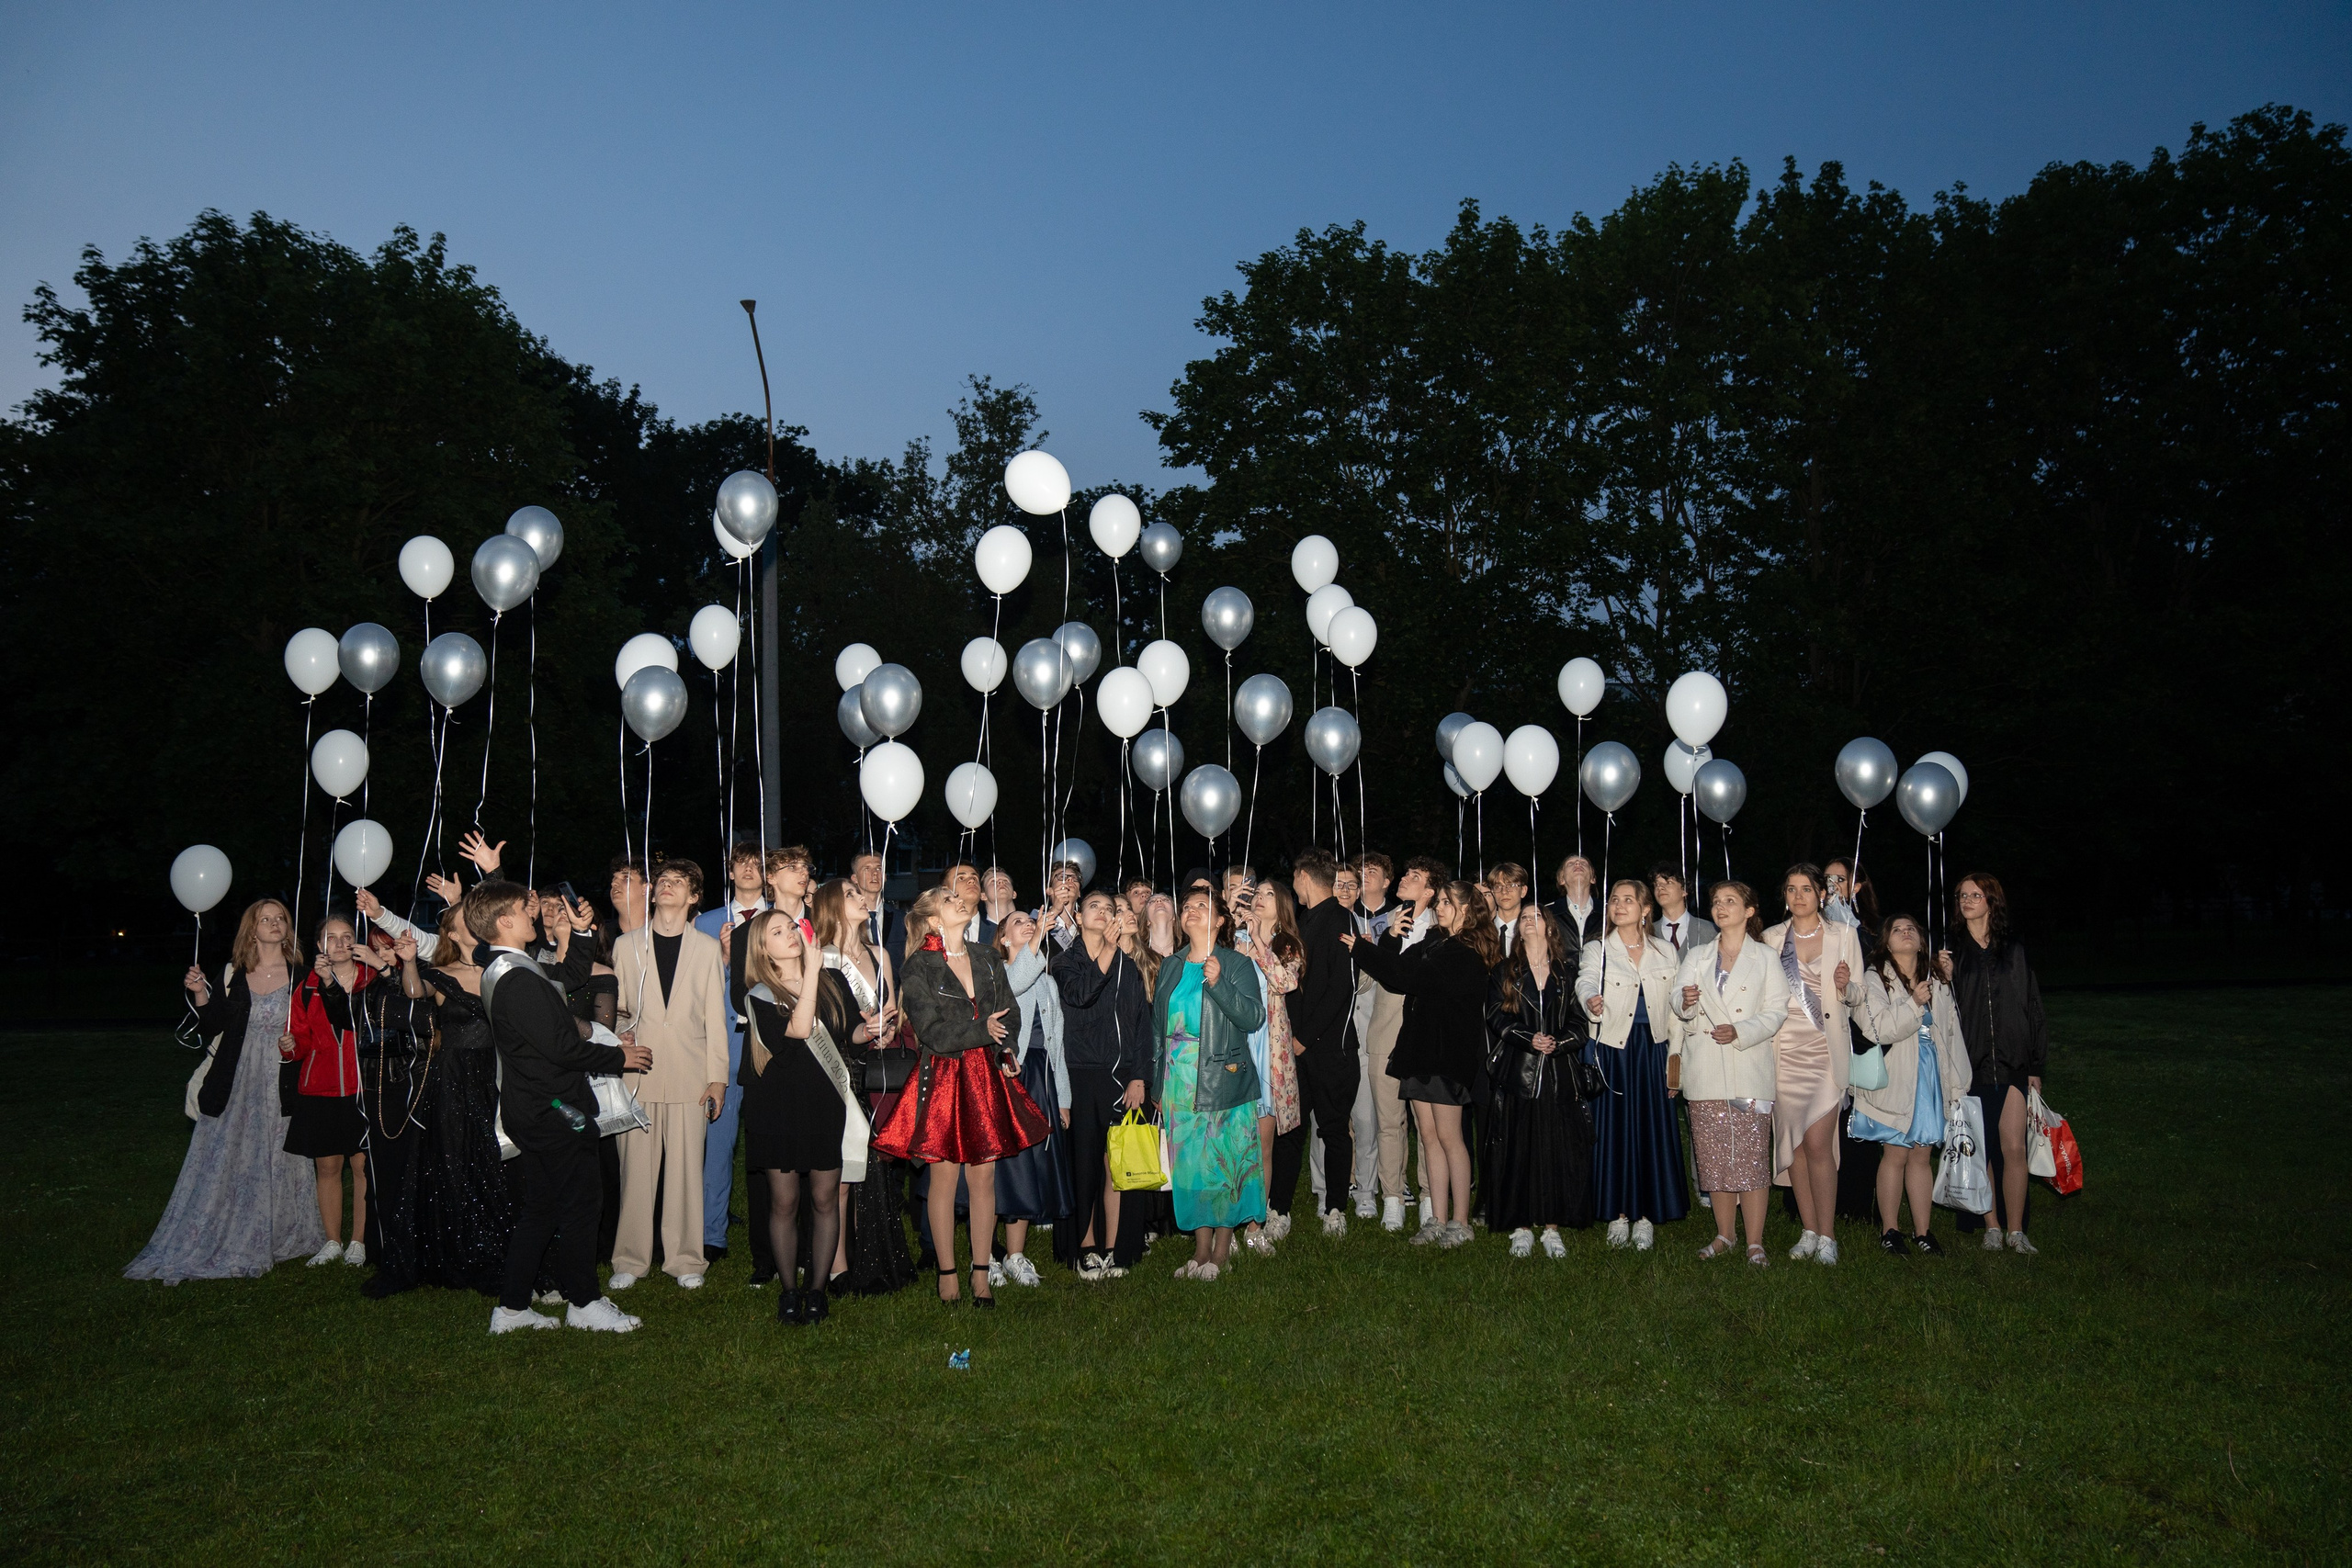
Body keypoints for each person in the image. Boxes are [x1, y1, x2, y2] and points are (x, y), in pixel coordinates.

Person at [471, 879, 650, 1334]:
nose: (534, 913)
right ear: (504, 921)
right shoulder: (515, 980)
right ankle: (584, 1302)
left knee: (543, 1208)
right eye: (522, 908)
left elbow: (569, 978)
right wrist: (618, 1057)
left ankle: (510, 1309)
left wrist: (584, 933)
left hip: (534, 1106)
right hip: (553, 1110)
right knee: (581, 1205)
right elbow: (563, 1048)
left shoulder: (509, 966)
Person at [128, 899, 329, 1281]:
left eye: (280, 918)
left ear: (288, 928)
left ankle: (283, 1233)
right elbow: (212, 1024)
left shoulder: (303, 975)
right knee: (230, 1154)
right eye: (264, 919)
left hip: (283, 1079)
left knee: (281, 1151)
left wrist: (296, 1041)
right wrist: (201, 994)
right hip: (236, 1081)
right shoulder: (232, 973)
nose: (274, 923)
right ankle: (221, 1229)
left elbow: (317, 1027)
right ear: (251, 930)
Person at [874, 886, 1047, 1305]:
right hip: (945, 1078)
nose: (959, 901)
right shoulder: (919, 966)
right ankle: (947, 1274)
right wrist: (980, 1031)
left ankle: (982, 1274)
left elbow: (1010, 1010)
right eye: (949, 899)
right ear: (935, 919)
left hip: (985, 1074)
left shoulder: (987, 957)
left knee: (984, 1175)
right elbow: (931, 1031)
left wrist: (1005, 1049)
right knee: (945, 1175)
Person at [740, 909, 870, 1325]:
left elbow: (846, 1032)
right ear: (763, 948)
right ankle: (789, 1292)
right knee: (784, 1201)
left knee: (824, 1198)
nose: (791, 935)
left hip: (822, 1104)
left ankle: (817, 1292)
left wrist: (868, 1032)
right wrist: (812, 972)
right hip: (777, 1107)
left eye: (791, 927)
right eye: (777, 932)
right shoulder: (761, 993)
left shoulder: (831, 981)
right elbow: (797, 1030)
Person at [1348, 879, 1494, 1247]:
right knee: (1428, 1137)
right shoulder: (1433, 941)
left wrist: (1361, 952)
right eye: (1440, 900)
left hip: (1446, 1054)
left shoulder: (1466, 951)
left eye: (1447, 902)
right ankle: (1437, 1219)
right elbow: (1395, 973)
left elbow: (1408, 977)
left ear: (1467, 909)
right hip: (1419, 1049)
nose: (1439, 907)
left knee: (1449, 1137)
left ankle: (1461, 1221)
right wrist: (1385, 942)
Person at [609, 859, 730, 1292]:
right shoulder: (626, 946)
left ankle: (684, 1258)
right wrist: (616, 1035)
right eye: (662, 881)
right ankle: (630, 1258)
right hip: (637, 1074)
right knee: (635, 1175)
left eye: (678, 882)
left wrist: (718, 1077)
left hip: (690, 1074)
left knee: (685, 1175)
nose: (666, 887)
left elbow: (717, 1018)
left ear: (694, 896)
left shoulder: (706, 948)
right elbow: (616, 1009)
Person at [393, 904, 519, 1296]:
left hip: (497, 1077)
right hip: (454, 1079)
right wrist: (410, 962)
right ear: (452, 933)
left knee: (497, 1158)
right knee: (454, 1159)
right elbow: (414, 992)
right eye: (467, 920)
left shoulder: (499, 969)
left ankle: (502, 1242)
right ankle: (458, 1246)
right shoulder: (441, 975)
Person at [1669, 881, 1790, 1267]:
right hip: (1705, 1069)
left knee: (1752, 1157)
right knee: (1714, 1157)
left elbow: (1776, 1010)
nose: (1721, 908)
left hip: (1749, 1066)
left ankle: (1755, 1241)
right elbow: (1677, 997)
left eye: (1730, 901)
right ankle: (1725, 1234)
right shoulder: (1699, 955)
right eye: (1716, 902)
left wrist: (1741, 1031)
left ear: (1750, 910)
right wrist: (1686, 1002)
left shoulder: (1766, 958)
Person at [1151, 886, 1269, 1280]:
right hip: (1178, 1083)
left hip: (1222, 1080)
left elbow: (1253, 1018)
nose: (1191, 911)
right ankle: (1200, 1250)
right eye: (1186, 907)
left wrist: (1220, 985)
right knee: (1191, 1169)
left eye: (1202, 906)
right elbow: (1157, 1030)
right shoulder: (1170, 966)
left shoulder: (1235, 964)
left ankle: (1221, 1251)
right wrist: (1157, 1085)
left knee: (1223, 1165)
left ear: (1220, 920)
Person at [1758, 863, 1868, 1265]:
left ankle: (1829, 1236)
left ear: (1822, 894)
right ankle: (1808, 1230)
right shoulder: (1771, 939)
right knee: (1797, 1146)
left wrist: (1845, 986)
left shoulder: (1844, 936)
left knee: (1819, 1142)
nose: (1799, 896)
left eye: (1807, 889)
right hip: (1784, 1054)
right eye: (1791, 889)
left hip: (1825, 1053)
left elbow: (1859, 998)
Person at [810, 877, 912, 1297]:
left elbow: (894, 1008)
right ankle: (836, 1265)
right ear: (833, 905)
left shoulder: (879, 953)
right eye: (851, 894)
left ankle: (869, 1253)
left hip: (878, 1069)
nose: (861, 897)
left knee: (873, 1164)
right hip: (838, 1068)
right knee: (840, 1169)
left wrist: (888, 1027)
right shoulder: (818, 957)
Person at [1577, 878, 1690, 1249]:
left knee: (1650, 1131)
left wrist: (1675, 1062)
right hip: (1612, 1050)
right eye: (1614, 899)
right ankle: (1617, 1214)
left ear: (1645, 910)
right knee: (1613, 1131)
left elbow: (1676, 1013)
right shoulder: (1598, 948)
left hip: (1652, 1051)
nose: (1619, 905)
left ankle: (1644, 1216)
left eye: (1629, 900)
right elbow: (1585, 980)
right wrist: (1591, 998)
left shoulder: (1665, 951)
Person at [1940, 874, 2049, 1253]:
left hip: (2013, 1061)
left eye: (1976, 894)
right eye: (1962, 895)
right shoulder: (1951, 951)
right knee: (1981, 1148)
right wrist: (1944, 977)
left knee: (2013, 1147)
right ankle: (1991, 1225)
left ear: (1991, 901)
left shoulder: (2014, 948)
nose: (1967, 900)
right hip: (1971, 1065)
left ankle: (2016, 1231)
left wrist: (2035, 1064)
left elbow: (2031, 1003)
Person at [1052, 890, 1154, 1280]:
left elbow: (1141, 1027)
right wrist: (1108, 952)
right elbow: (1080, 995)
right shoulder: (1064, 962)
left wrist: (1139, 1076)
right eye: (1094, 907)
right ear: (1078, 917)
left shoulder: (1128, 966)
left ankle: (1115, 1248)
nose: (1104, 913)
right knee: (1086, 1166)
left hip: (1123, 1078)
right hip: (1082, 1075)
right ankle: (1085, 1245)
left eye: (1110, 908)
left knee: (1118, 1166)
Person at [1856, 913, 1971, 1256]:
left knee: (1922, 1155)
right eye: (1897, 929)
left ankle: (1924, 1232)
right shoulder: (1876, 977)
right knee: (1895, 1152)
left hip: (1932, 1074)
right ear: (1886, 941)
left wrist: (1948, 984)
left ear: (1922, 940)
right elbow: (1879, 1029)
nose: (1906, 933)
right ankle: (1890, 1230)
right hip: (1898, 1073)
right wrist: (1914, 1003)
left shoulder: (1935, 977)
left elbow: (1951, 1031)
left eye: (1912, 929)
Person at [1485, 906, 1596, 1257]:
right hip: (1520, 1073)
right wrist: (1527, 1038)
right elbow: (1495, 1016)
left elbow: (1581, 1023)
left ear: (1550, 927)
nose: (1530, 920)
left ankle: (1551, 1227)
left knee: (1555, 1148)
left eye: (1538, 916)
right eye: (1525, 917)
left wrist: (1558, 1043)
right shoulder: (1505, 970)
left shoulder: (1568, 973)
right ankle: (1520, 1226)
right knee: (1519, 1147)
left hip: (1559, 1075)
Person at [693, 842, 771, 1267]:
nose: (748, 870)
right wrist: (723, 961)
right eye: (741, 863)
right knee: (717, 1143)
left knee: (770, 1144)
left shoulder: (781, 919)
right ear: (729, 871)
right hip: (721, 1046)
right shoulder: (705, 923)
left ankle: (775, 1231)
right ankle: (712, 1233)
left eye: (757, 864)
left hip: (770, 1046)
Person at [281, 915, 375, 1267]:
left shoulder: (370, 979)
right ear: (319, 945)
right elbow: (300, 1043)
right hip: (319, 1090)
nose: (339, 943)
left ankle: (359, 1242)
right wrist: (290, 1046)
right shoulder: (306, 986)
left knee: (363, 1167)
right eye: (330, 938)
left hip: (361, 1088)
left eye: (346, 936)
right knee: (327, 1167)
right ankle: (332, 1240)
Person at [1358, 855, 1442, 1231]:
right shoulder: (1379, 924)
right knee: (1389, 1121)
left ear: (1430, 891)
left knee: (1430, 1124)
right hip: (1386, 1031)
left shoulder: (1443, 925)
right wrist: (1383, 937)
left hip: (1427, 1035)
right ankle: (1392, 1197)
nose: (1405, 879)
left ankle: (1428, 1195)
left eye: (1415, 876)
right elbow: (1368, 978)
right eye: (1405, 873)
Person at [989, 911, 1073, 1283]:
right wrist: (1038, 936)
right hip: (1009, 1078)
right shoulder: (996, 975)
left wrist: (1064, 1097)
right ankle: (987, 1255)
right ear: (1004, 939)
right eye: (1018, 922)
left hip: (1041, 1078)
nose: (1028, 923)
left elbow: (1058, 1044)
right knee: (1001, 1167)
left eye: (1031, 919)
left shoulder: (1049, 982)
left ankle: (1016, 1255)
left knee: (1028, 1166)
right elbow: (1016, 982)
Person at [1283, 852, 1362, 1238]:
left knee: (1333, 1128)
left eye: (1294, 877)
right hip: (1299, 1048)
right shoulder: (1302, 922)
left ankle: (1335, 1208)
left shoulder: (1340, 918)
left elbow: (1341, 989)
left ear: (1303, 876)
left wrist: (1305, 1038)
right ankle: (1278, 1209)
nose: (1293, 883)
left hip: (1332, 1048)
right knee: (1293, 1130)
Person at [1243, 878, 1306, 1250]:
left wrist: (1260, 944)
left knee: (1263, 1143)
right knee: (1237, 1144)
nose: (1260, 899)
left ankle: (1256, 1225)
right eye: (1258, 894)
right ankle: (1228, 1222)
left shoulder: (1287, 947)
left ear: (1282, 905)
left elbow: (1285, 982)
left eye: (1269, 894)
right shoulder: (1236, 941)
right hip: (1238, 1047)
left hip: (1270, 1051)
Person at [1336, 851, 1398, 1221]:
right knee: (1345, 1117)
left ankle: (1375, 1188)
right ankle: (1343, 1185)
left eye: (1371, 872)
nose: (1363, 877)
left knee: (1378, 1117)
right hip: (1343, 1028)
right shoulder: (1341, 918)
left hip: (1379, 1029)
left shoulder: (1394, 919)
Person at [1651, 863, 1716, 958]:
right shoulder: (1648, 933)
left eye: (1668, 882)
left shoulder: (1710, 931)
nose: (1660, 887)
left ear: (1684, 890)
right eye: (1656, 884)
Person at [1553, 854, 1603, 947]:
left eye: (1583, 863)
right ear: (1561, 879)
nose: (1577, 864)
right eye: (1570, 863)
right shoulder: (1547, 913)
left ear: (1593, 878)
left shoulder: (1609, 912)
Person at [1824, 858, 1879, 939]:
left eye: (1839, 879)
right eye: (1827, 879)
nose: (1832, 884)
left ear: (1855, 887)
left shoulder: (1870, 926)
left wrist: (1839, 906)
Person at [1486, 863, 1532, 954]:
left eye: (1511, 885)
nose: (1504, 892)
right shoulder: (1483, 933)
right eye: (1498, 886)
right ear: (1493, 892)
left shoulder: (1533, 932)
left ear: (1523, 891)